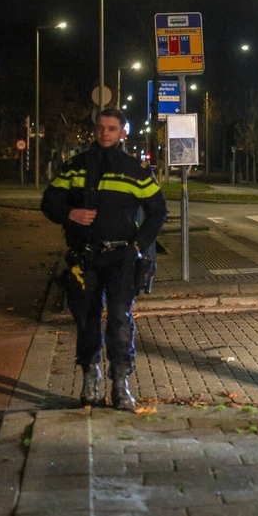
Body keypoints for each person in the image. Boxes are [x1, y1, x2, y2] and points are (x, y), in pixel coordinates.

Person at [41, 109, 167, 410]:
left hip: (121, 257)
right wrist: (69, 214)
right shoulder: (76, 167)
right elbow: (49, 201)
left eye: (112, 128)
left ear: (123, 132)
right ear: (95, 131)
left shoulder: (135, 170)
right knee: (86, 320)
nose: (105, 133)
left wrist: (138, 247)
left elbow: (158, 212)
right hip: (84, 258)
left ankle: (121, 383)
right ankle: (90, 376)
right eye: (100, 128)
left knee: (121, 320)